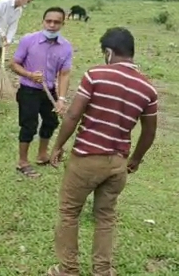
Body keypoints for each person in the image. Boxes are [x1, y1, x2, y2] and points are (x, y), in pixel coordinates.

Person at [47, 28, 158, 276]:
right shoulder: (147, 88)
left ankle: (68, 270)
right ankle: (103, 271)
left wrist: (58, 145)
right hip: (117, 164)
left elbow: (73, 115)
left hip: (86, 159)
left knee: (68, 212)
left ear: (108, 52)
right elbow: (149, 132)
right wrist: (136, 159)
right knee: (105, 217)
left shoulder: (96, 75)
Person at [10, 7, 73, 178]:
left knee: (51, 122)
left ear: (62, 24)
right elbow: (14, 64)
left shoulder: (66, 47)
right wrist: (30, 74)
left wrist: (61, 99)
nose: (52, 25)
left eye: (56, 22)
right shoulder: (28, 40)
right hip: (28, 90)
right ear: (43, 21)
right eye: (49, 21)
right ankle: (22, 162)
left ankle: (42, 155)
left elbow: (64, 74)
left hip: (49, 91)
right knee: (28, 125)